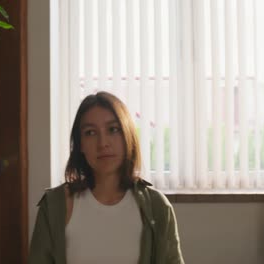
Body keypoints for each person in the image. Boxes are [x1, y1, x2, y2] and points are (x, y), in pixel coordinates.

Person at [29, 91, 184, 264]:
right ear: (80, 145)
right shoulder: (54, 205)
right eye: (90, 133)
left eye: (113, 129)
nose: (103, 143)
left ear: (127, 137)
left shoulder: (157, 206)